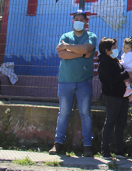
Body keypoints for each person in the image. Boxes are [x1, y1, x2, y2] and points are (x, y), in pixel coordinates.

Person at [49, 10, 97, 157]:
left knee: (85, 113)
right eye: (76, 19)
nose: (78, 21)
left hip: (84, 81)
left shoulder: (91, 36)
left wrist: (68, 47)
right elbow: (61, 53)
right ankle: (58, 144)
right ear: (72, 21)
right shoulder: (65, 36)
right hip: (65, 80)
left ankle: (87, 145)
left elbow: (88, 49)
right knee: (63, 113)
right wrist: (81, 53)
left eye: (81, 19)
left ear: (86, 22)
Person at [98, 37, 132, 158]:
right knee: (111, 121)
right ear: (106, 50)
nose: (116, 50)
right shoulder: (104, 62)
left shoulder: (114, 61)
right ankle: (105, 150)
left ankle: (119, 150)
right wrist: (125, 75)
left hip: (122, 96)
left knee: (121, 122)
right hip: (112, 96)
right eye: (113, 48)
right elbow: (111, 78)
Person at [120, 36, 132, 101]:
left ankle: (128, 89)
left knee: (125, 77)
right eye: (124, 47)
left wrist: (120, 63)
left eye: (127, 48)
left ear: (131, 49)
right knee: (127, 79)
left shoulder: (130, 54)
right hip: (128, 68)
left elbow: (126, 62)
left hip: (130, 68)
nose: (125, 49)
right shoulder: (125, 54)